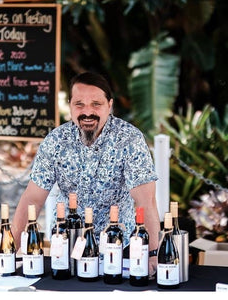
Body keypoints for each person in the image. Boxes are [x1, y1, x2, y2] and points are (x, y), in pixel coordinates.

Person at [11, 71, 160, 276]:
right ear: (70, 106)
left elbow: (146, 201)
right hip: (66, 250)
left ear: (110, 105)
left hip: (118, 249)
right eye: (79, 104)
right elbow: (32, 199)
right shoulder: (55, 141)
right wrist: (10, 248)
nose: (87, 112)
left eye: (96, 104)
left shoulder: (130, 140)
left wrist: (153, 254)